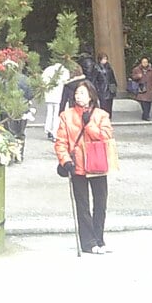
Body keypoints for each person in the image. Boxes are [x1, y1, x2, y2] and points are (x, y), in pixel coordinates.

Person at [55, 80, 114, 254]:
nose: (78, 96)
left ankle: (99, 238)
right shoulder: (67, 116)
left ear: (90, 96)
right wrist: (65, 161)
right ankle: (88, 242)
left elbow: (105, 137)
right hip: (77, 165)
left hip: (97, 164)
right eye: (77, 93)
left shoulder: (101, 115)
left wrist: (89, 125)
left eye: (82, 93)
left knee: (100, 203)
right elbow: (61, 142)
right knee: (82, 204)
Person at [42, 59, 70, 139]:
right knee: (57, 114)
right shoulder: (65, 71)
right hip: (59, 94)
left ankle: (48, 129)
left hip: (49, 94)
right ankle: (55, 131)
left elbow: (43, 80)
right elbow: (66, 82)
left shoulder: (48, 69)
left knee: (49, 112)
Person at [130, 55, 152, 121]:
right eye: (143, 62)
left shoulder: (151, 70)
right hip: (141, 88)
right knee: (143, 102)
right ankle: (146, 116)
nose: (145, 63)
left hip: (149, 88)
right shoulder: (136, 69)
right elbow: (133, 77)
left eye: (146, 62)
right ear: (141, 62)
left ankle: (146, 115)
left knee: (148, 102)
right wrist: (138, 76)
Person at [91, 52, 118, 117]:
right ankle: (103, 117)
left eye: (106, 59)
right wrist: (96, 88)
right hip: (101, 88)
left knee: (109, 103)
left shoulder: (109, 67)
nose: (105, 60)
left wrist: (114, 85)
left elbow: (112, 77)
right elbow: (94, 79)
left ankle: (109, 116)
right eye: (103, 59)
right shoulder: (96, 67)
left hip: (110, 88)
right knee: (103, 104)